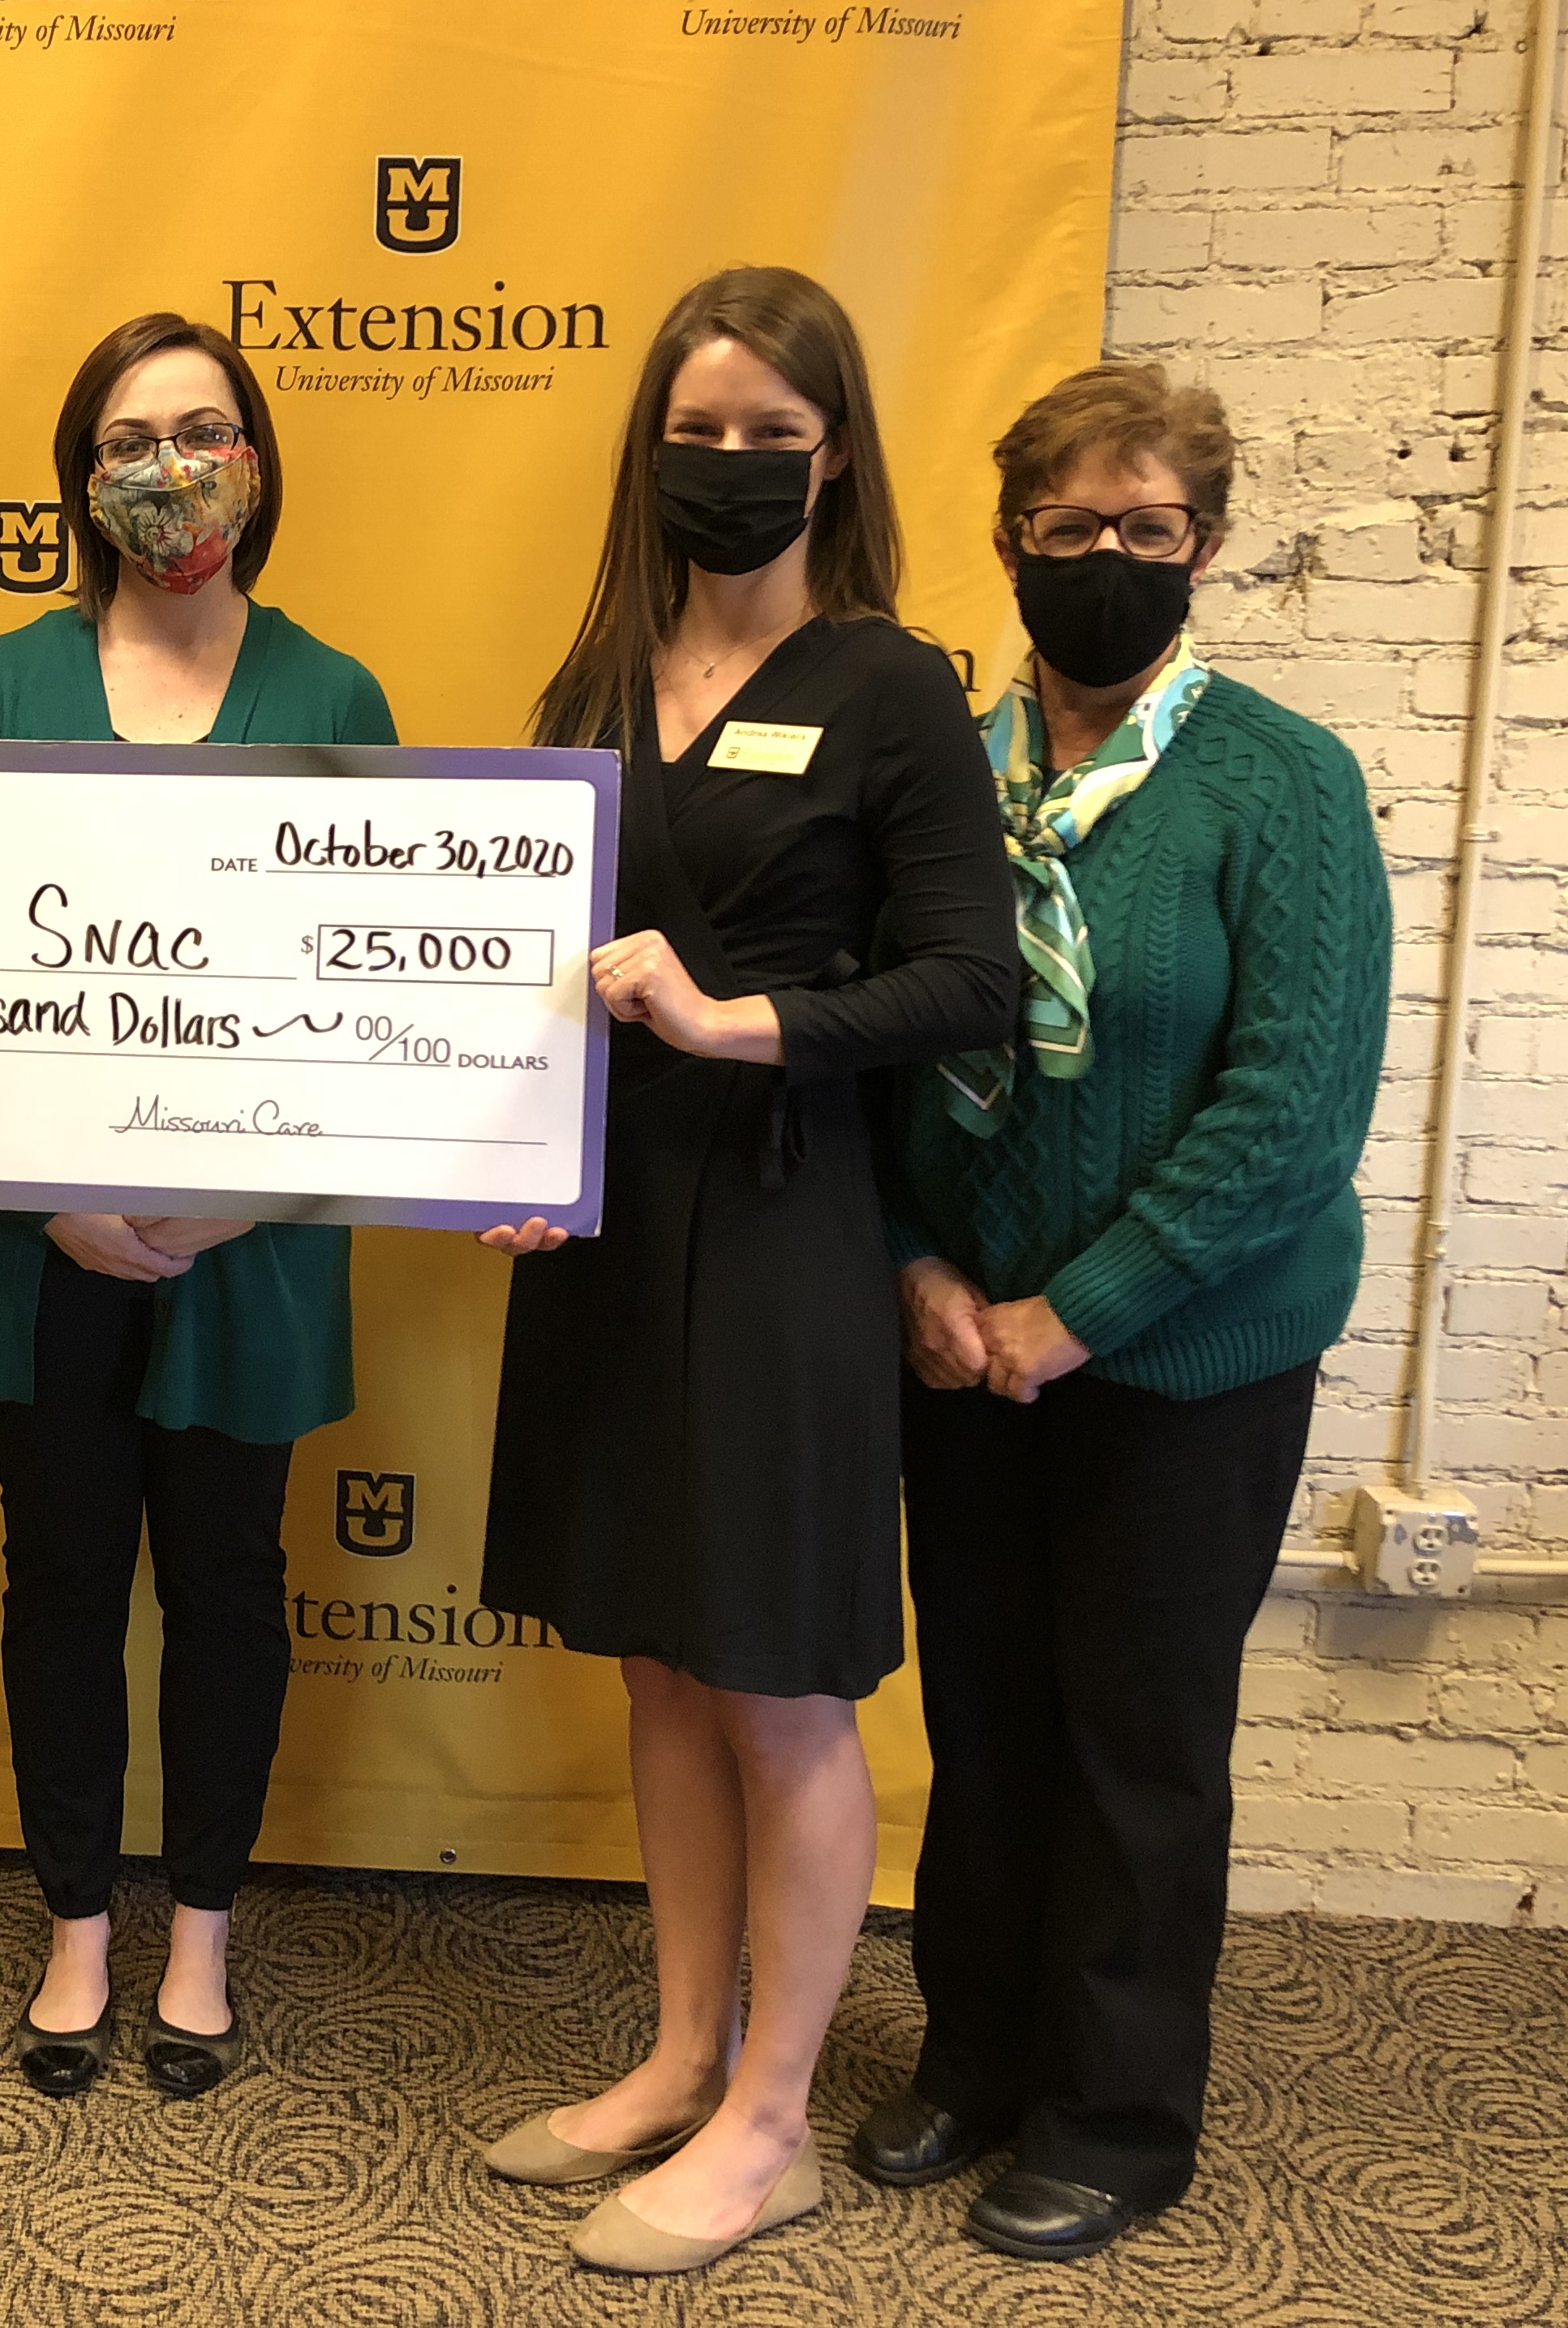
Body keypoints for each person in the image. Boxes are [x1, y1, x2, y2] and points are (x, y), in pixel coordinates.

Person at [469, 268, 1018, 2275]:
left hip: (789, 1224)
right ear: (652, 452)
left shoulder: (890, 685)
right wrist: (511, 1156)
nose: (728, 467)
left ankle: (774, 2118)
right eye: (695, 435)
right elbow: (522, 986)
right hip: (609, 1231)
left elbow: (969, 979)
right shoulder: (598, 681)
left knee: (777, 1678)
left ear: (834, 454)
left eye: (767, 437)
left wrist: (736, 1028)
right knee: (658, 1656)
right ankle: (682, 2049)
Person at [850, 365, 1390, 2260]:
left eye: (1145, 531)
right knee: (985, 1720)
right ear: (1007, 541)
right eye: (1068, 528)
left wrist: (1074, 1312)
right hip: (957, 1344)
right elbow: (879, 1054)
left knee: (1138, 1741)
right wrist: (925, 1273)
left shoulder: (1284, 782)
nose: (1104, 560)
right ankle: (975, 2059)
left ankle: (1118, 2110)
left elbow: (1295, 1104)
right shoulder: (941, 773)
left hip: (1184, 1358)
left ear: (1208, 549)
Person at [0, 314, 396, 2102]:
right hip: (31, 1247)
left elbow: (372, 998)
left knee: (225, 1581)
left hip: (244, 1251)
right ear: (80, 477)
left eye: (205, 430)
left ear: (260, 462)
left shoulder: (334, 698)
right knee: (57, 1579)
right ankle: (75, 1928)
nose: (169, 469)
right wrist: (49, 1196)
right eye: (129, 437)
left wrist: (224, 1198)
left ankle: (200, 1928)